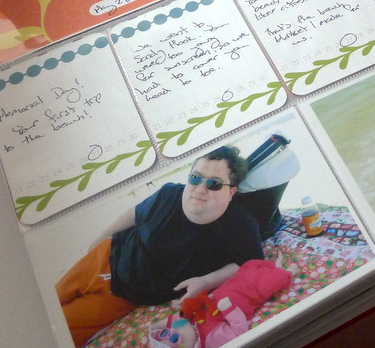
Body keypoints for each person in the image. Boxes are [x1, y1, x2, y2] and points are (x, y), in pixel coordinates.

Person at [57, 146, 264, 347]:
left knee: (59, 332)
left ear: (231, 191)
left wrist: (206, 281)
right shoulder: (169, 194)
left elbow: (250, 264)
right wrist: (102, 236)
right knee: (51, 302)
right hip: (103, 255)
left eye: (214, 183)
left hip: (121, 295)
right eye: (195, 178)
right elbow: (135, 214)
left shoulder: (240, 224)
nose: (200, 189)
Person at [148, 255, 295, 348]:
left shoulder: (189, 322)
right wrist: (229, 310)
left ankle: (276, 267)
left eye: (166, 332)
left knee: (249, 265)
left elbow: (175, 319)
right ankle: (288, 273)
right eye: (175, 338)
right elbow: (239, 331)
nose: (173, 330)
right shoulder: (211, 340)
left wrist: (156, 326)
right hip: (250, 294)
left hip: (233, 284)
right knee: (271, 282)